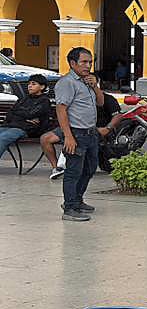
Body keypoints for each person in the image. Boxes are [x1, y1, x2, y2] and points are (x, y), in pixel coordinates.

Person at [54, 47, 105, 222]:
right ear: (72, 63)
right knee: (73, 171)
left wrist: (95, 86)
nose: (88, 65)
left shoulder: (88, 81)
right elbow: (61, 110)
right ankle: (69, 208)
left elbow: (101, 102)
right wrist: (68, 136)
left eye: (90, 62)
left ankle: (77, 199)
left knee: (90, 168)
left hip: (91, 132)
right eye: (84, 62)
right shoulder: (67, 83)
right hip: (76, 133)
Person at [42, 91, 120, 181]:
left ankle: (71, 166)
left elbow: (118, 116)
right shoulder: (78, 98)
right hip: (73, 127)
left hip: (96, 129)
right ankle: (56, 168)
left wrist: (107, 128)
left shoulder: (108, 99)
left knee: (78, 139)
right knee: (45, 138)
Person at [0, 75, 54, 160]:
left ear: (42, 87)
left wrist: (19, 114)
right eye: (29, 84)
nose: (30, 86)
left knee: (3, 138)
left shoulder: (44, 101)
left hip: (27, 129)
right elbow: (11, 113)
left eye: (33, 84)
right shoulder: (24, 99)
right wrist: (24, 117)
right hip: (12, 125)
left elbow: (29, 114)